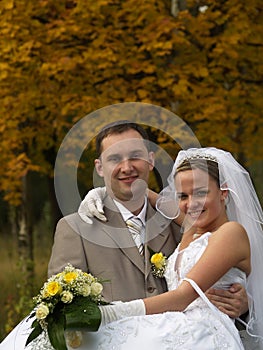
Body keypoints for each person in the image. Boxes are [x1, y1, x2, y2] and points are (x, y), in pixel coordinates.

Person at [0, 125, 247, 349]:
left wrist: (244, 306)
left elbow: (230, 275)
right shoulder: (75, 228)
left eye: (135, 156)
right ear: (99, 167)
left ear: (151, 161)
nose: (127, 167)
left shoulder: (183, 223)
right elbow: (63, 309)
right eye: (115, 159)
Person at [74, 147, 263, 349]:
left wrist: (109, 312)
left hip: (204, 334)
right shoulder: (192, 229)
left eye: (201, 192)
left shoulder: (231, 233)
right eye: (183, 196)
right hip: (176, 325)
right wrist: (102, 192)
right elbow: (148, 195)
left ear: (223, 192)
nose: (192, 204)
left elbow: (183, 297)